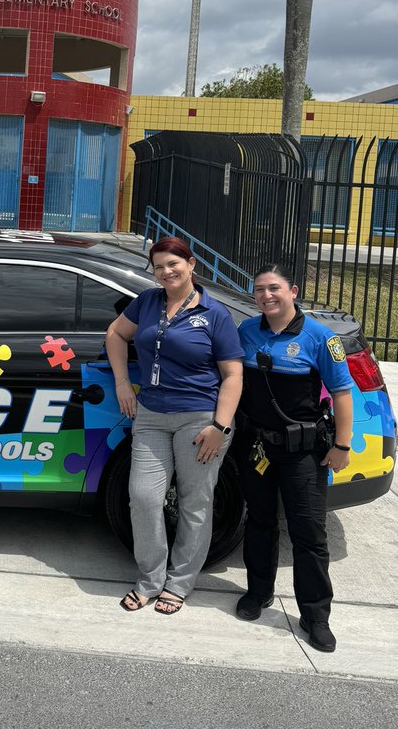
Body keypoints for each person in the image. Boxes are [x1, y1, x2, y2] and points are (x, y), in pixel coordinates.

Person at [105, 237, 243, 614]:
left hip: (199, 421)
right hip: (150, 416)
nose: (166, 272)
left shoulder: (214, 314)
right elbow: (115, 334)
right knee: (145, 498)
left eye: (173, 264)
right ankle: (150, 579)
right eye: (159, 266)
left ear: (191, 264)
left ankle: (179, 584)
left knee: (194, 503)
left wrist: (220, 426)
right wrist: (122, 382)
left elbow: (232, 375)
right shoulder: (147, 301)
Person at [234, 263, 353, 653]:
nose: (266, 296)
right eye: (259, 290)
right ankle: (258, 593)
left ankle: (316, 615)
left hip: (303, 451)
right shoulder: (247, 331)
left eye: (274, 288)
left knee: (309, 534)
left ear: (293, 291)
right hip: (258, 447)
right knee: (259, 522)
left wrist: (342, 446)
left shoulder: (320, 337)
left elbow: (341, 394)